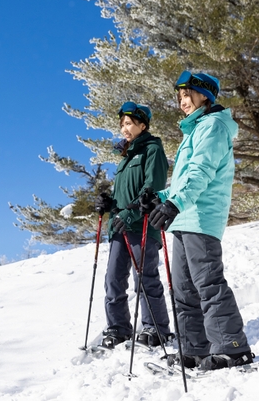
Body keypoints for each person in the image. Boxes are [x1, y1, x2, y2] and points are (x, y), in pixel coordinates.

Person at [141, 70, 254, 370]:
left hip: (201, 218)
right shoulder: (195, 131)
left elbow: (200, 174)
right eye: (179, 97)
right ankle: (194, 348)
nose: (182, 102)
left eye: (186, 94)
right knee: (183, 289)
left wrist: (175, 203)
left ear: (204, 94)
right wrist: (162, 198)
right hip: (183, 217)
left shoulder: (214, 126)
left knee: (208, 284)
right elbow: (182, 182)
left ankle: (233, 347)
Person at [94, 101, 172, 349]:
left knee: (144, 278)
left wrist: (129, 214)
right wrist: (110, 203)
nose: (124, 128)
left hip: (143, 225)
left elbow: (152, 189)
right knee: (113, 279)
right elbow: (125, 193)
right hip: (120, 227)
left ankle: (155, 328)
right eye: (122, 124)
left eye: (129, 123)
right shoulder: (125, 157)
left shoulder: (152, 150)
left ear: (142, 125)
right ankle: (118, 328)